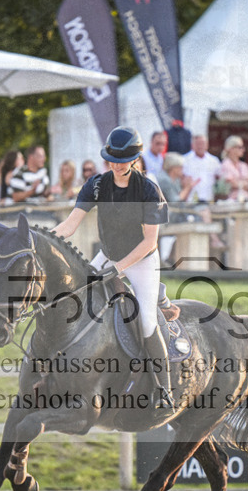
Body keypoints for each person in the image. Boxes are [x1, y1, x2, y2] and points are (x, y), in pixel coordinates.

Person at [51, 126, 174, 414]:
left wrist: (117, 269)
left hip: (141, 261)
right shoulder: (96, 185)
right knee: (73, 295)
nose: (116, 166)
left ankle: (164, 388)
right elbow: (69, 226)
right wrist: (40, 236)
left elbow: (149, 242)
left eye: (122, 160)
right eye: (112, 160)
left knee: (146, 322)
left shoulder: (147, 190)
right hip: (108, 255)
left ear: (134, 159)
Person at [182, 134, 222, 204]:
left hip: (209, 199)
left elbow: (220, 178)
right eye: (197, 144)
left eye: (202, 143)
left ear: (207, 145)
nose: (200, 146)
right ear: (192, 145)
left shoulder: (214, 161)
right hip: (191, 200)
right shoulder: (184, 160)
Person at [219, 135, 248, 202]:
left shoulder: (244, 165)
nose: (243, 150)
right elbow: (231, 184)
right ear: (231, 149)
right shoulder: (225, 164)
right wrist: (244, 184)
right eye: (240, 147)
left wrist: (239, 184)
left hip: (246, 199)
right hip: (230, 200)